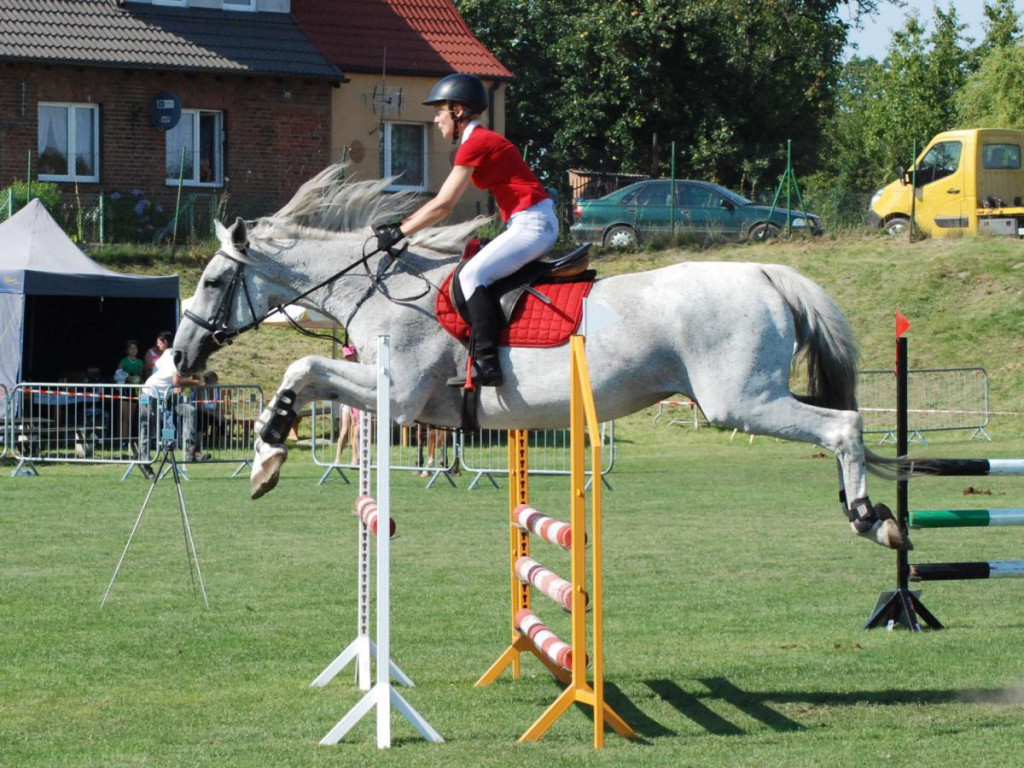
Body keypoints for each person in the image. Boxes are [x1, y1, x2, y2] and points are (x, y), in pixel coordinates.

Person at [373, 73, 558, 387]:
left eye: (439, 112)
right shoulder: (479, 141)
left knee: (472, 276)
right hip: (528, 221)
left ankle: (488, 365)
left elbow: (444, 204)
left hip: (532, 224)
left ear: (457, 110)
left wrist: (400, 231)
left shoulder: (476, 143)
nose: (435, 120)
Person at [140, 345, 209, 463]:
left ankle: (191, 451)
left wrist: (196, 378)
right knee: (147, 425)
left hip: (167, 394)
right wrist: (196, 382)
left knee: (190, 411)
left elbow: (192, 376)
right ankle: (144, 458)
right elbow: (177, 380)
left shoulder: (177, 357)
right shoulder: (176, 361)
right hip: (150, 393)